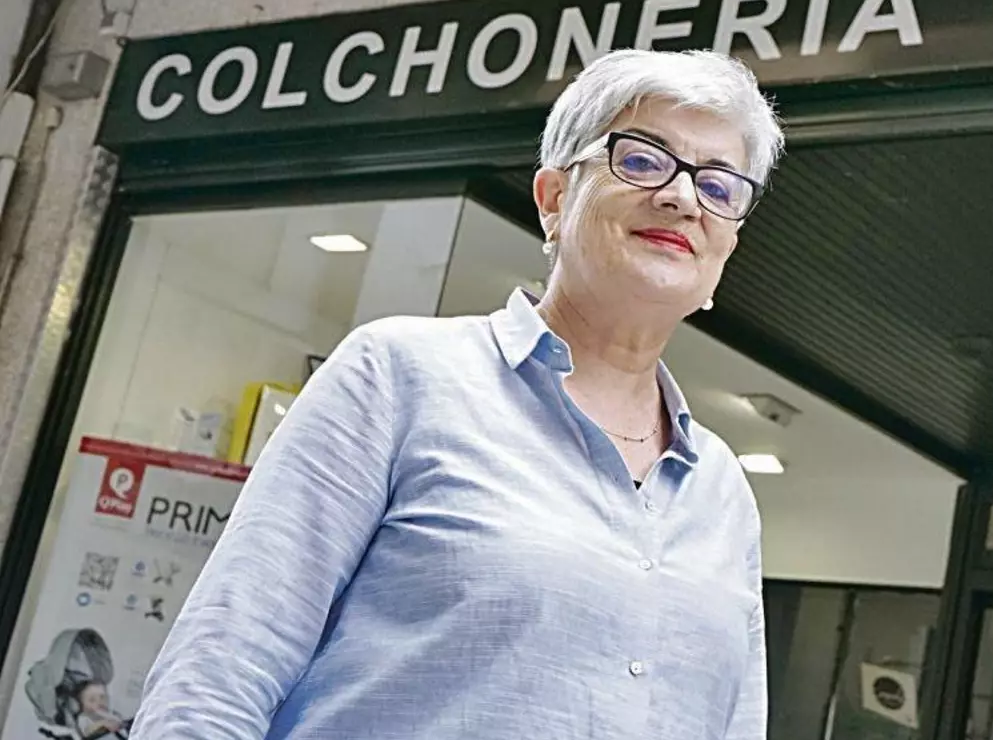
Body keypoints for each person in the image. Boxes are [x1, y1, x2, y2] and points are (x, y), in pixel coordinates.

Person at [130, 49, 785, 740]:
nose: (682, 198)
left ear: (728, 246)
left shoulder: (722, 492)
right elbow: (214, 678)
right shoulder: (399, 376)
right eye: (643, 160)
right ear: (554, 199)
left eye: (718, 186)